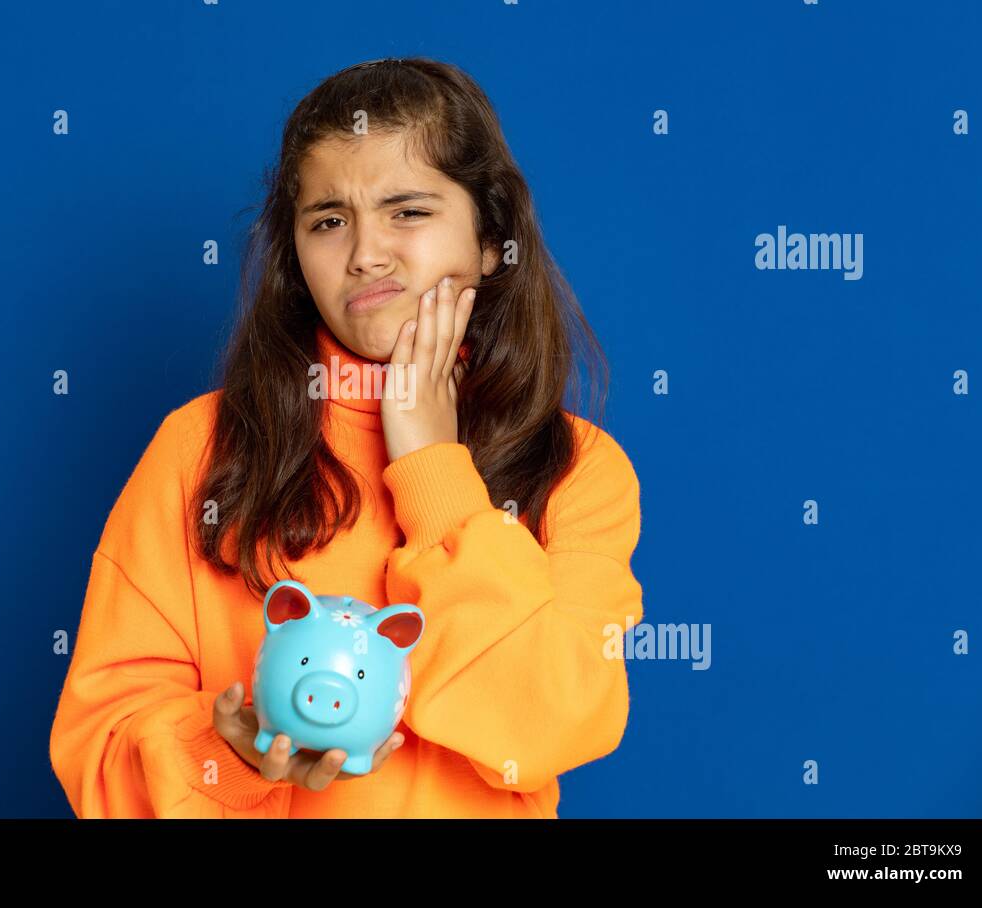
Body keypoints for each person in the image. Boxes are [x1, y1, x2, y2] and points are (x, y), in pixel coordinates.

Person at [48, 56, 644, 818]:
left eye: (409, 211)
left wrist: (433, 468)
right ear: (295, 258)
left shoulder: (579, 469)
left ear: (492, 241)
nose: (365, 253)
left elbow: (551, 724)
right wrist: (224, 756)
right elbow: (99, 754)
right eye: (329, 221)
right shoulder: (199, 449)